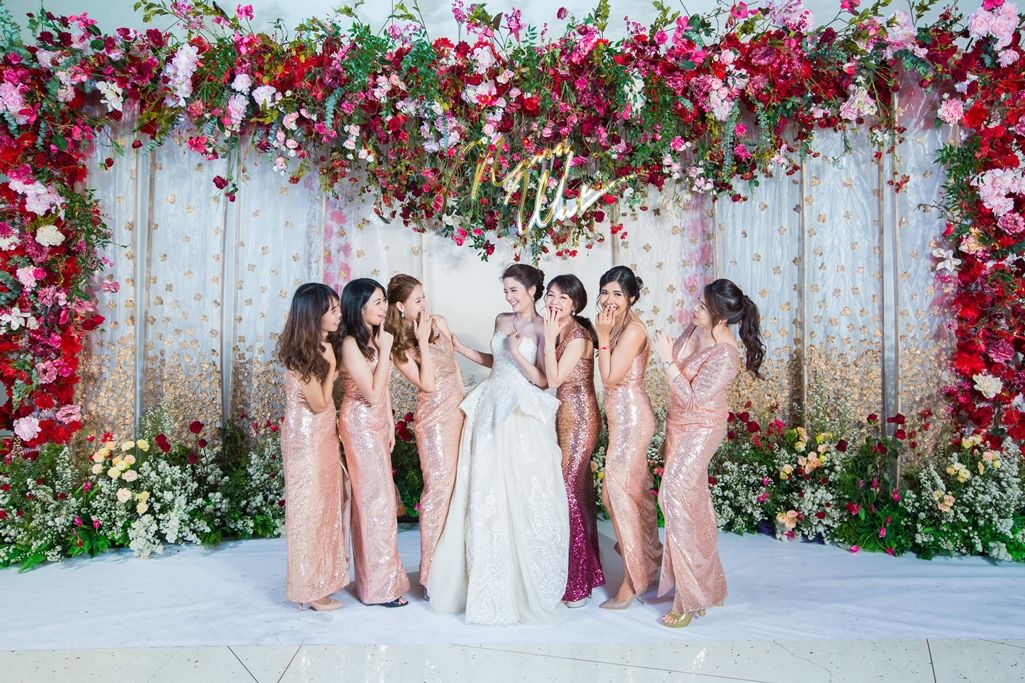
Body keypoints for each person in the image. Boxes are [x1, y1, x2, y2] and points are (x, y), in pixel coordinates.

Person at [427, 264, 569, 625]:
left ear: (533, 291)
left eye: (514, 291)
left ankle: (522, 580)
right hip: (491, 403)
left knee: (520, 489)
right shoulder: (501, 319)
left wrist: (518, 353)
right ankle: (486, 574)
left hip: (519, 410)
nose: (508, 297)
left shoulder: (544, 327)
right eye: (505, 291)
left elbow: (543, 381)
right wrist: (462, 349)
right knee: (486, 486)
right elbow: (496, 362)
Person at [651, 278, 765, 627]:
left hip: (701, 430)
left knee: (672, 497)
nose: (695, 309)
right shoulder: (694, 327)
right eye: (698, 302)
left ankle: (690, 597)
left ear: (721, 316)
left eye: (702, 306)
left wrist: (665, 360)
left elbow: (692, 398)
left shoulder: (726, 356)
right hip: (677, 424)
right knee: (693, 506)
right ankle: (706, 585)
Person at [384, 274, 464, 596]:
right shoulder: (398, 347)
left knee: (459, 489)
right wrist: (420, 342)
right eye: (417, 300)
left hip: (458, 411)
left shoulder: (439, 322)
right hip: (433, 421)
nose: (424, 304)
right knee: (438, 491)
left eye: (424, 297)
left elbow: (455, 370)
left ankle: (456, 568)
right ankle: (432, 575)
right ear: (400, 306)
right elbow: (428, 384)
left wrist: (467, 406)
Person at [276, 283, 349, 611]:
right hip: (305, 441)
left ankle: (321, 581)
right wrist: (332, 367)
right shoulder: (302, 355)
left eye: (338, 308)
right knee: (309, 512)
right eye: (332, 309)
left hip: (321, 436)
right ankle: (308, 589)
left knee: (324, 507)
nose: (338, 314)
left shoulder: (322, 346)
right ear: (312, 314)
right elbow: (319, 404)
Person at [338, 278, 410, 608]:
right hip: (359, 425)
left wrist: (390, 424)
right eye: (378, 302)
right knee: (374, 503)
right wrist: (385, 352)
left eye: (384, 301)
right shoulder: (350, 343)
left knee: (379, 501)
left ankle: (376, 582)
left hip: (377, 423)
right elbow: (370, 392)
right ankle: (378, 588)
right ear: (360, 306)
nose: (385, 308)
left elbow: (383, 392)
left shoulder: (374, 338)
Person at [594, 266, 661, 609]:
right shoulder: (616, 324)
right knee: (625, 496)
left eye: (618, 294)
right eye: (605, 292)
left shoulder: (632, 330)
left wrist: (602, 335)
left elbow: (609, 378)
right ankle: (649, 559)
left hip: (633, 418)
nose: (609, 299)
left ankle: (632, 581)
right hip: (620, 418)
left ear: (632, 297)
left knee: (617, 497)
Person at [542, 274, 605, 607]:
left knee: (566, 491)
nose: (554, 302)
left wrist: (547, 337)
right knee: (577, 493)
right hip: (562, 418)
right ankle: (586, 572)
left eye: (562, 298)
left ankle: (577, 585)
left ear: (575, 304)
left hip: (581, 419)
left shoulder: (578, 336)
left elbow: (552, 379)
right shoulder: (557, 329)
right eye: (550, 295)